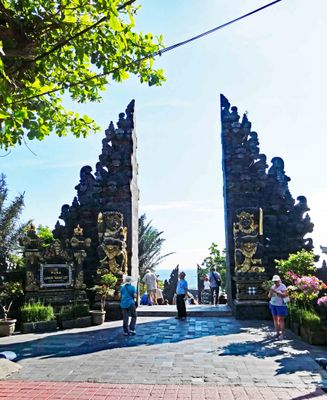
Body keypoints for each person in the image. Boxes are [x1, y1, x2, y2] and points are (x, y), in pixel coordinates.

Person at [268, 274, 288, 340]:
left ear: (279, 280)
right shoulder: (273, 286)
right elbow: (269, 296)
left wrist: (276, 292)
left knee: (281, 319)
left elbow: (285, 295)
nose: (275, 282)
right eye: (274, 281)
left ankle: (282, 334)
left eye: (276, 281)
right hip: (273, 304)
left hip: (281, 305)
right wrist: (271, 292)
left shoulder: (283, 286)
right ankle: (277, 333)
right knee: (275, 319)